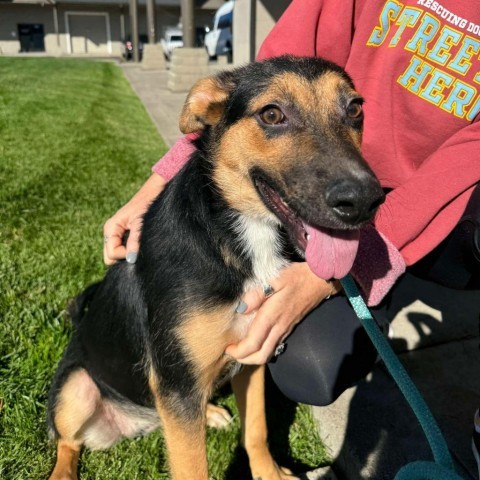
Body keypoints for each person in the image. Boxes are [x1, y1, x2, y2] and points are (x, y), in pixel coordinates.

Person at [104, 0, 480, 461]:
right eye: (276, 117)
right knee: (310, 364)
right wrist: (155, 185)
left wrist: (340, 271)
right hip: (329, 214)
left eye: (352, 110)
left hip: (446, 215)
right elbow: (260, 82)